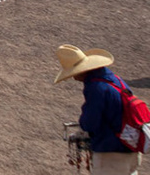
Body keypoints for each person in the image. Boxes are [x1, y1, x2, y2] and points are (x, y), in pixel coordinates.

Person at [56, 45, 146, 174]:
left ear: (82, 71)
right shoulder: (115, 80)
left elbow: (90, 121)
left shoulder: (95, 88)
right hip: (130, 148)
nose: (74, 77)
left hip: (112, 153)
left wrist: (83, 127)